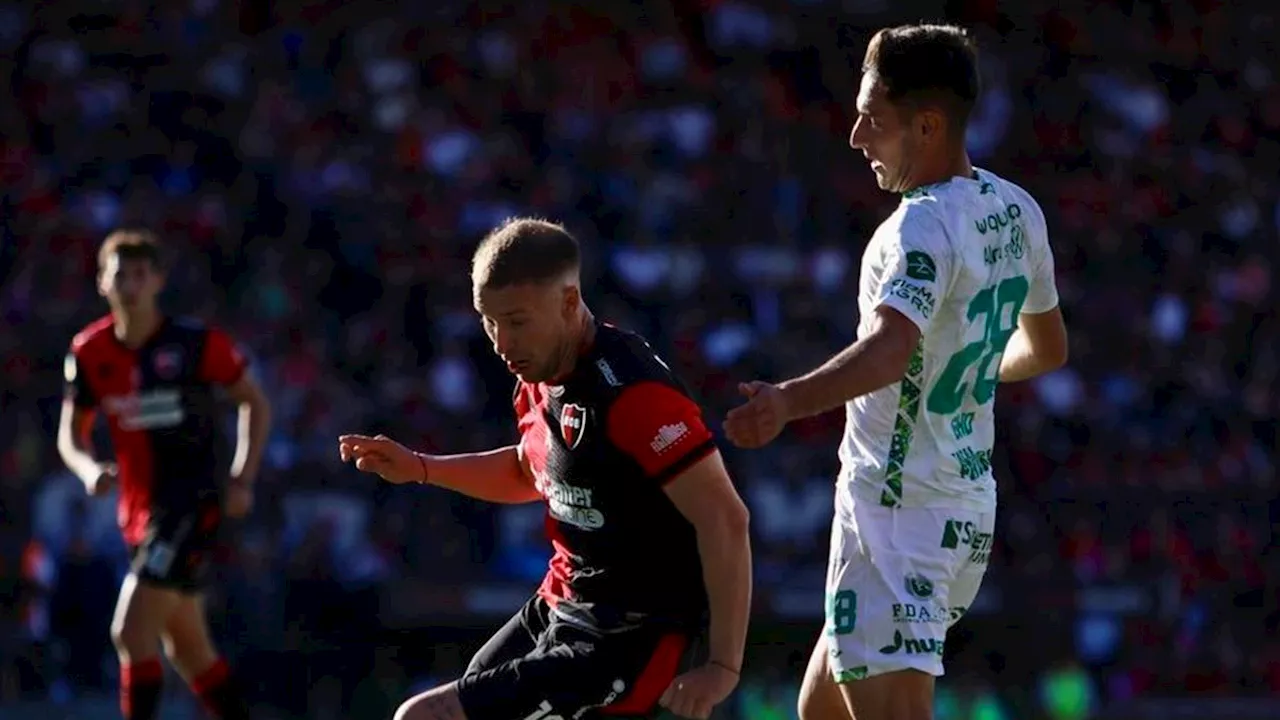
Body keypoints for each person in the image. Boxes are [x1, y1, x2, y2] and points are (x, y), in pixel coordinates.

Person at [722, 24, 1069, 720]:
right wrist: (959, 360)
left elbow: (890, 350)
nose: (855, 137)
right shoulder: (1016, 210)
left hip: (900, 513)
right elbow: (1048, 350)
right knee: (818, 712)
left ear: (928, 126)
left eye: (873, 120)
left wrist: (788, 401)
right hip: (960, 507)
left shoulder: (919, 228)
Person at [340, 217, 753, 720]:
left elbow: (725, 519)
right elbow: (528, 472)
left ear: (569, 302)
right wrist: (422, 467)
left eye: (516, 321)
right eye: (488, 321)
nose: (500, 341)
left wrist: (723, 666)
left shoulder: (634, 396)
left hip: (628, 636)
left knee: (427, 716)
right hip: (559, 605)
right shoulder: (537, 374)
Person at [57, 230, 272, 720]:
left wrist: (242, 476)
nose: (130, 285)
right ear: (102, 283)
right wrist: (90, 468)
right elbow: (70, 434)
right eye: (120, 275)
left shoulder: (195, 344)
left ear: (157, 282)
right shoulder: (89, 352)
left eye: (140, 275)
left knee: (130, 632)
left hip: (192, 504)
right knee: (189, 650)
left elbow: (254, 403)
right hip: (138, 513)